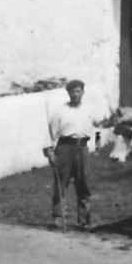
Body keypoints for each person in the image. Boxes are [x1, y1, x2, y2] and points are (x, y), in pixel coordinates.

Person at [45, 79, 94, 230]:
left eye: (78, 91)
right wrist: (49, 152)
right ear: (68, 93)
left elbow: (97, 128)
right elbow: (50, 134)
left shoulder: (88, 110)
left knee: (84, 184)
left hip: (82, 148)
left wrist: (97, 144)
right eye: (72, 91)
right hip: (65, 148)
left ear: (83, 92)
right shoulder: (60, 111)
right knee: (61, 183)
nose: (75, 94)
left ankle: (84, 220)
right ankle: (58, 217)